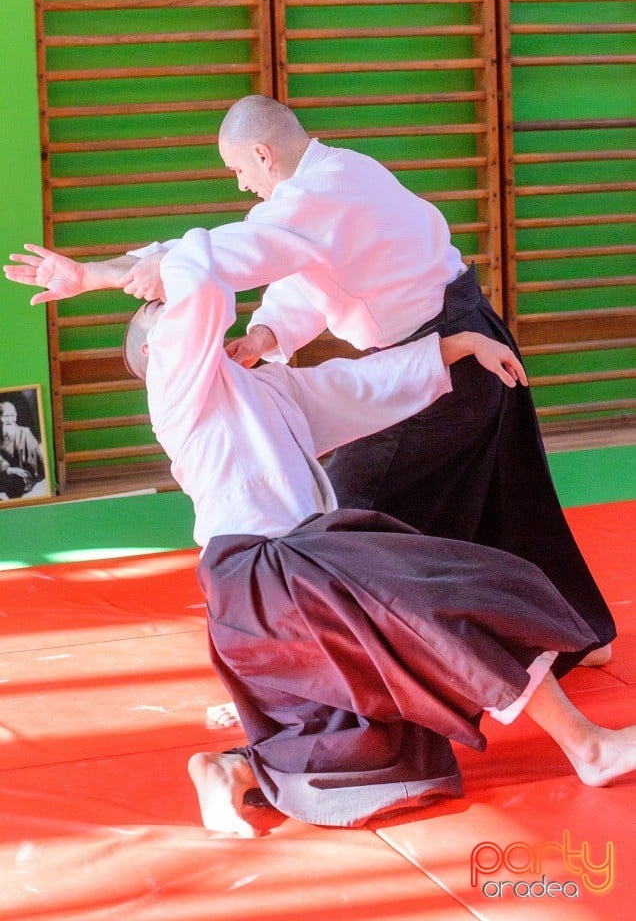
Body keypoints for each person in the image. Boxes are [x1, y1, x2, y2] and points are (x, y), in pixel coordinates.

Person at [6, 229, 635, 840]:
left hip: (286, 578)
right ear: (157, 354)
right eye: (169, 320)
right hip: (266, 568)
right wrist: (103, 275)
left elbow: (361, 386)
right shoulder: (176, 395)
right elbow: (197, 289)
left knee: (374, 728)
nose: (192, 320)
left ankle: (229, 768)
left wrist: (462, 342)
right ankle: (589, 746)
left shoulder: (267, 387)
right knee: (456, 598)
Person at [4, 95, 614, 674]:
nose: (241, 184)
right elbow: (303, 273)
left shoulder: (323, 191)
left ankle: (367, 668)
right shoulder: (333, 181)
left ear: (263, 156)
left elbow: (222, 258)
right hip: (457, 340)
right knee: (503, 492)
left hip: (447, 349)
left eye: (238, 169)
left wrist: (95, 275)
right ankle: (570, 636)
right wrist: (267, 337)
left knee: (347, 521)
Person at [0, 401, 46, 499]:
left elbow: (35, 463)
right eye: (5, 416)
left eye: (12, 416)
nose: (9, 420)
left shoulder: (26, 433)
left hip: (23, 479)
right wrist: (9, 470)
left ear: (16, 416)